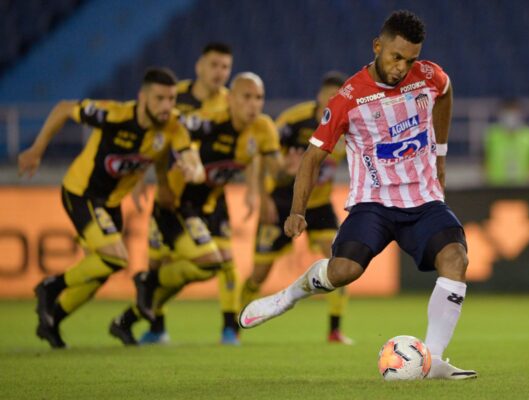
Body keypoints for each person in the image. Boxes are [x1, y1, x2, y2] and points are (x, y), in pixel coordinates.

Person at [240, 10, 477, 379]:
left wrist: (440, 152)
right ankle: (288, 297)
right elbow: (311, 157)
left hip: (423, 199)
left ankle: (431, 359)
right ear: (377, 46)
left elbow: (445, 92)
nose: (402, 67)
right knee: (343, 271)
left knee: (456, 260)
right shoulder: (347, 99)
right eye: (395, 57)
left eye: (410, 59)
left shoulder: (428, 76)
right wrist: (296, 211)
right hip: (374, 204)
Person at [19, 67, 205, 349]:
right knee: (117, 258)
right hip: (82, 193)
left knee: (99, 271)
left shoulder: (173, 126)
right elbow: (64, 108)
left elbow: (186, 155)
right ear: (142, 97)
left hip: (112, 203)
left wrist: (191, 172)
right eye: (160, 99)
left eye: (171, 99)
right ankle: (51, 287)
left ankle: (52, 320)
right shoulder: (115, 115)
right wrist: (37, 149)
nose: (167, 106)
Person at [112, 72, 282, 345]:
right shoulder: (208, 120)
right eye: (247, 97)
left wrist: (259, 189)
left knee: (226, 264)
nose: (254, 104)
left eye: (259, 98)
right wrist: (150, 177)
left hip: (213, 202)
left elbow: (268, 164)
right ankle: (149, 320)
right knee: (168, 263)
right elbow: (170, 136)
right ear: (231, 99)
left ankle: (228, 329)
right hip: (177, 202)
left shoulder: (262, 128)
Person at [133, 43, 243, 345]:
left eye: (225, 67)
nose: (219, 72)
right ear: (199, 66)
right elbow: (149, 134)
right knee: (161, 260)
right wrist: (141, 175)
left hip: (210, 195)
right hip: (173, 193)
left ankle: (228, 328)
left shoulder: (230, 102)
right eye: (214, 65)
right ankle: (156, 325)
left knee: (225, 261)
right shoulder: (173, 96)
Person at [240, 71, 354, 344]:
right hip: (282, 201)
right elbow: (261, 156)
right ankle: (234, 322)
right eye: (329, 97)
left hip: (320, 205)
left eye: (338, 98)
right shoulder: (293, 121)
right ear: (319, 97)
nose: (333, 103)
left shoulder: (350, 123)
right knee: (259, 273)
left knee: (341, 261)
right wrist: (262, 196)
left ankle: (334, 330)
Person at [484, 99, 529, 186]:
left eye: (514, 113)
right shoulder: (491, 135)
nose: (511, 117)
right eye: (507, 113)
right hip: (496, 186)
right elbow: (484, 162)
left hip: (523, 187)